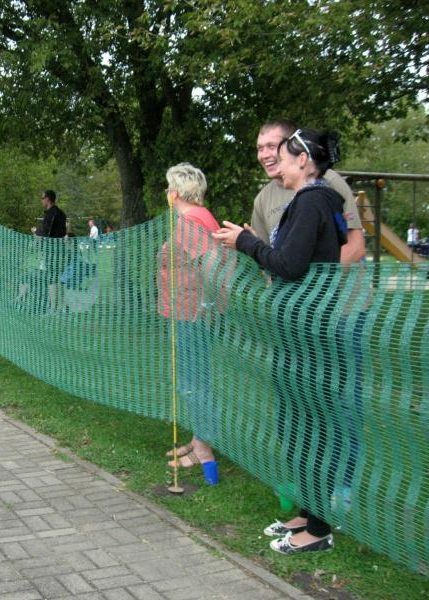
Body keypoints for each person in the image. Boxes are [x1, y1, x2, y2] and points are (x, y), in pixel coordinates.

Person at [213, 127, 348, 554]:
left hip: (311, 335)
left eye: (285, 158)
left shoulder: (311, 202)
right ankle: (308, 513)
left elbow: (289, 265)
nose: (279, 166)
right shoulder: (317, 202)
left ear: (303, 161)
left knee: (312, 427)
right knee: (297, 424)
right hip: (300, 331)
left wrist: (246, 243)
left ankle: (319, 529)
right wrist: (252, 243)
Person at [157, 163, 221, 484]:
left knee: (194, 381)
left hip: (192, 314)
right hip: (189, 311)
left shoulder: (191, 219)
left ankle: (204, 451)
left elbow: (210, 262)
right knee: (195, 377)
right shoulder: (197, 217)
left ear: (178, 192)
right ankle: (199, 439)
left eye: (169, 188)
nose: (167, 193)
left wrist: (206, 305)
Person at [251, 119, 365, 263]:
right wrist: (248, 243)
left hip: (333, 277)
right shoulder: (262, 199)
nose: (264, 155)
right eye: (260, 148)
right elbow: (268, 257)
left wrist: (320, 277)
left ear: (292, 146)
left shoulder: (328, 182)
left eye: (271, 146)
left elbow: (355, 246)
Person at [31, 190, 67, 314]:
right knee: (60, 279)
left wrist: (35, 231)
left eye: (42, 198)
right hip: (61, 250)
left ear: (48, 199)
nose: (41, 200)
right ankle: (61, 307)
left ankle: (53, 308)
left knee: (52, 279)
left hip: (52, 251)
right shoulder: (62, 214)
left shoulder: (51, 214)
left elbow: (46, 233)